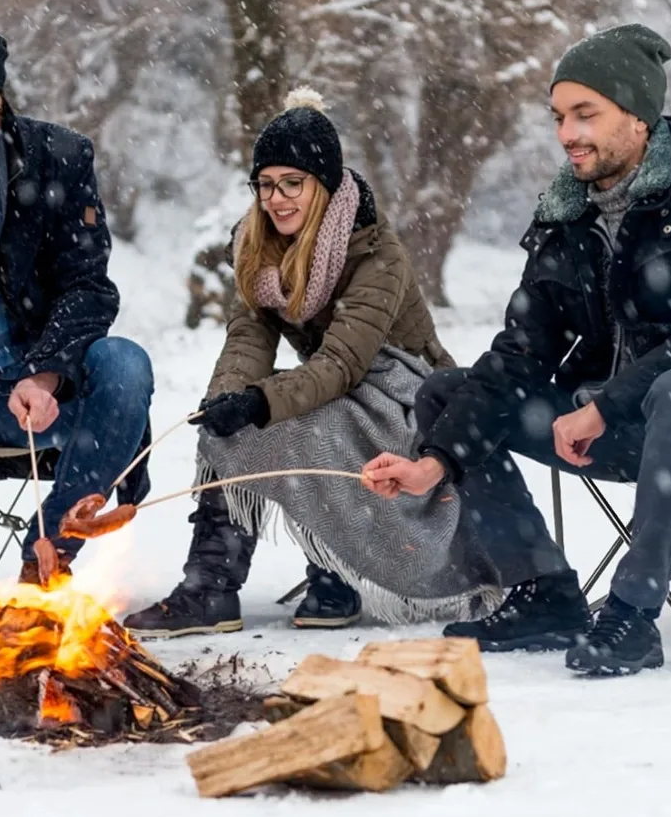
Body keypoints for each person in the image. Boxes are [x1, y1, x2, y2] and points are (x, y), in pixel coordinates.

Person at [363, 23, 671, 676]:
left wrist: (606, 405)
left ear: (637, 116)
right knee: (447, 394)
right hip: (615, 425)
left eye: (585, 114)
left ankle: (632, 614)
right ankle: (543, 591)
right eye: (559, 117)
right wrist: (437, 460)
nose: (568, 133)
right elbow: (519, 352)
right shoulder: (566, 213)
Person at [124, 88, 513, 638]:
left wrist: (263, 401)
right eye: (266, 184)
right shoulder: (258, 249)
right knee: (230, 433)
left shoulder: (375, 251)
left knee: (313, 425)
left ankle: (338, 573)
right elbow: (248, 336)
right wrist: (228, 397)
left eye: (293, 183)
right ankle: (211, 585)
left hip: (407, 390)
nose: (277, 198)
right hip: (336, 384)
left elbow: (342, 363)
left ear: (323, 186)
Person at [0, 20, 154, 582]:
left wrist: (46, 374)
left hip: (44, 405)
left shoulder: (56, 158)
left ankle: (47, 553)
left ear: (0, 101)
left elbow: (88, 287)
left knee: (125, 365)